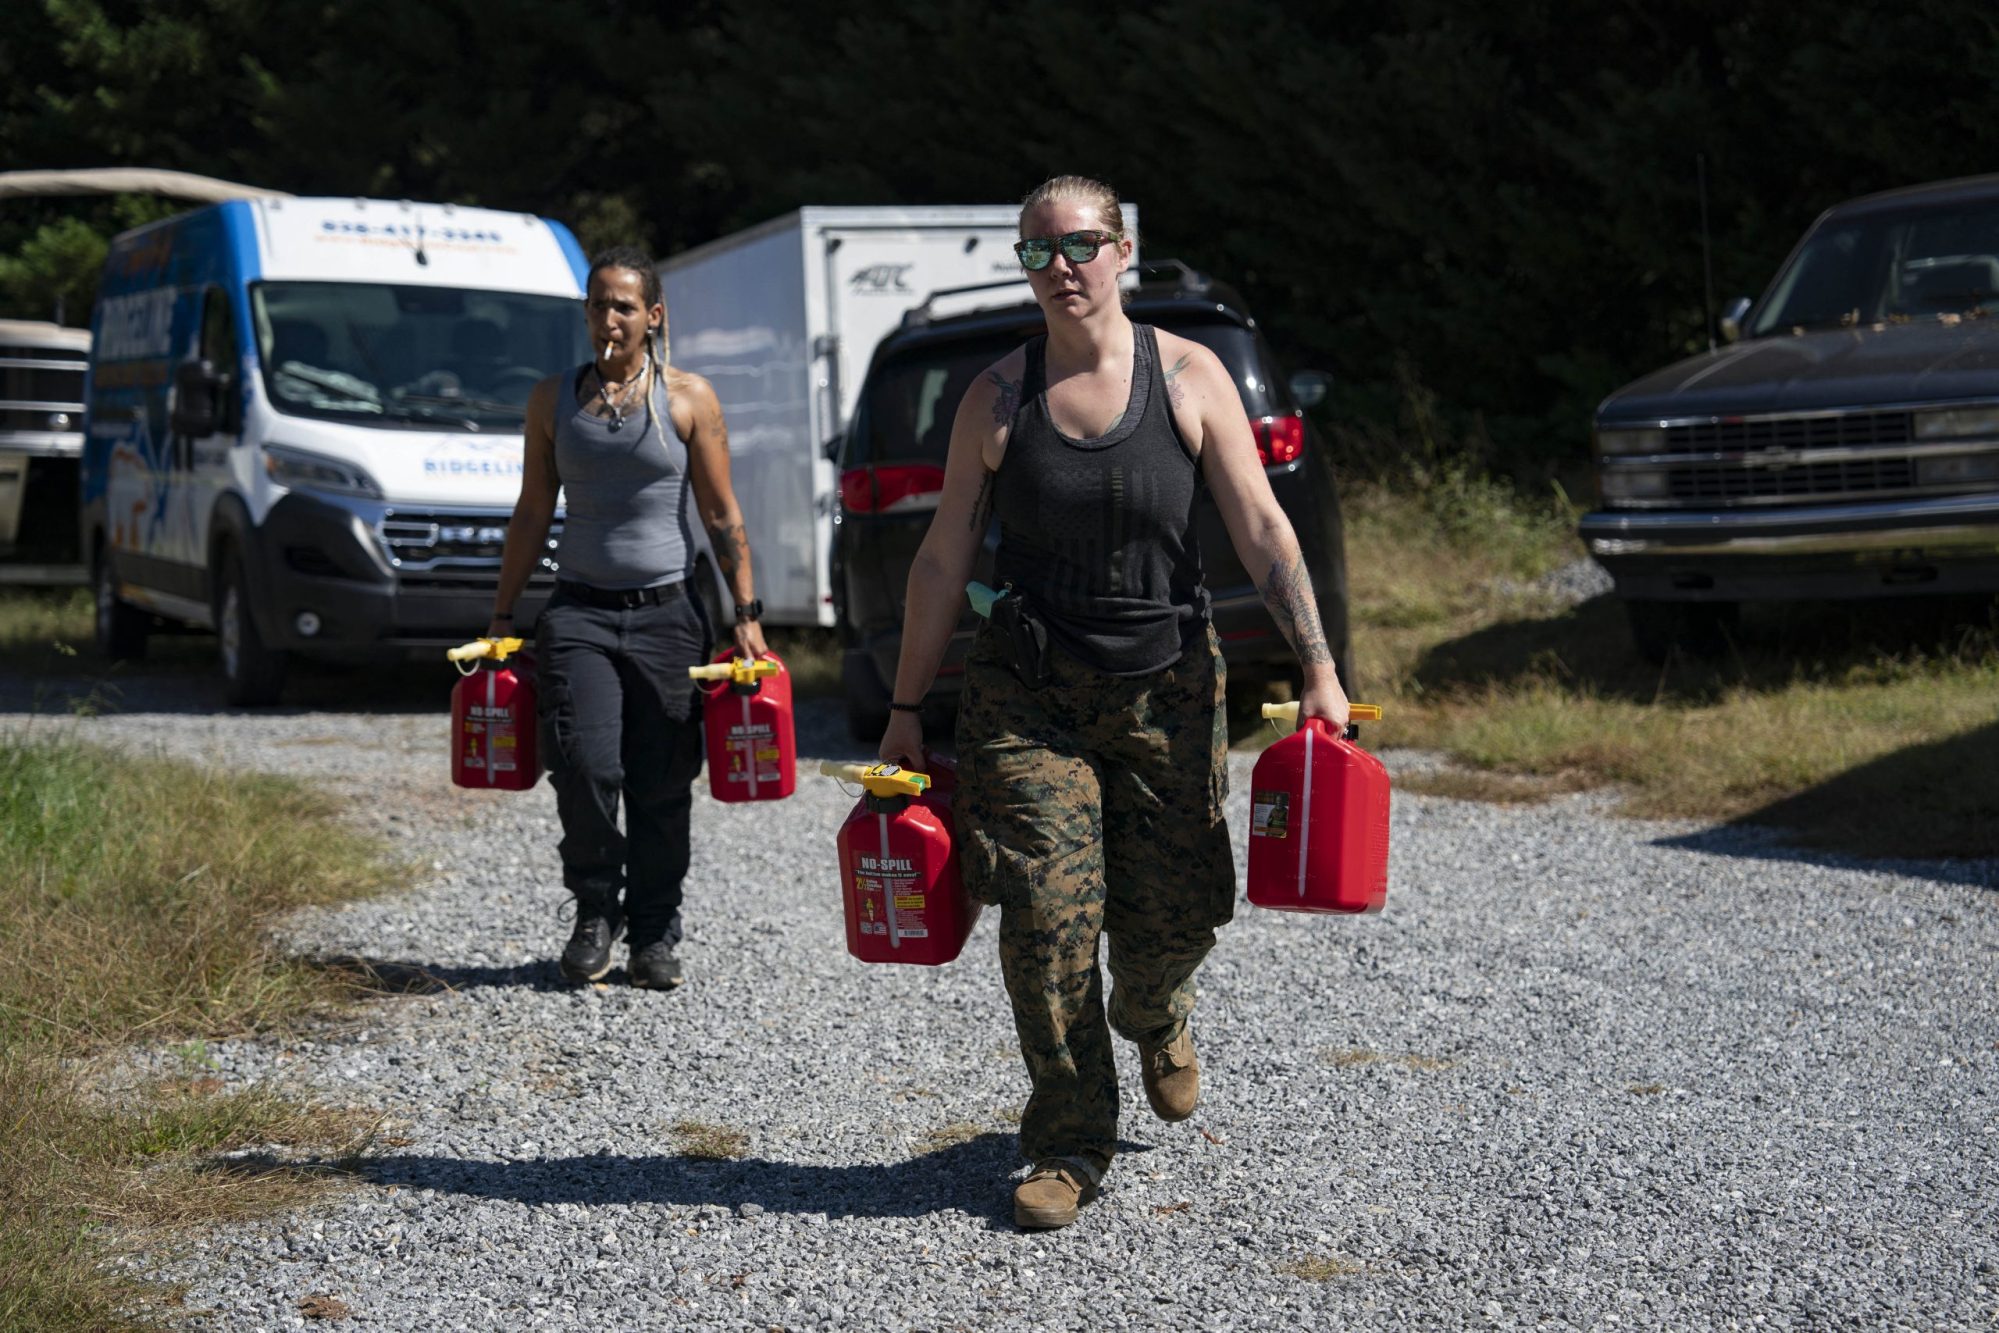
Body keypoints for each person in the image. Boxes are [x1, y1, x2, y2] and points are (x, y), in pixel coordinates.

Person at [877, 176, 1349, 1229]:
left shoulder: (1189, 377)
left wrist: (1318, 665)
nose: (1060, 268)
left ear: (1121, 250)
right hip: (1028, 692)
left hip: (1168, 690)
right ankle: (1064, 1139)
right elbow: (943, 554)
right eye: (1037, 251)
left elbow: (1265, 530)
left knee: (1170, 917)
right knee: (1046, 918)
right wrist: (908, 705)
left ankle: (1156, 1009)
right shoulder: (996, 397)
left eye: (1079, 245)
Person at [486, 246, 766, 989]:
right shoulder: (552, 399)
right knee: (584, 764)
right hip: (577, 610)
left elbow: (719, 511)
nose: (607, 319)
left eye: (623, 306)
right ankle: (593, 910)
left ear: (653, 317)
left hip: (668, 614)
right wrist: (502, 612)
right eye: (596, 304)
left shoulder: (687, 398)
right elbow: (532, 510)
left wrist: (746, 612)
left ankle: (654, 930)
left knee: (661, 778)